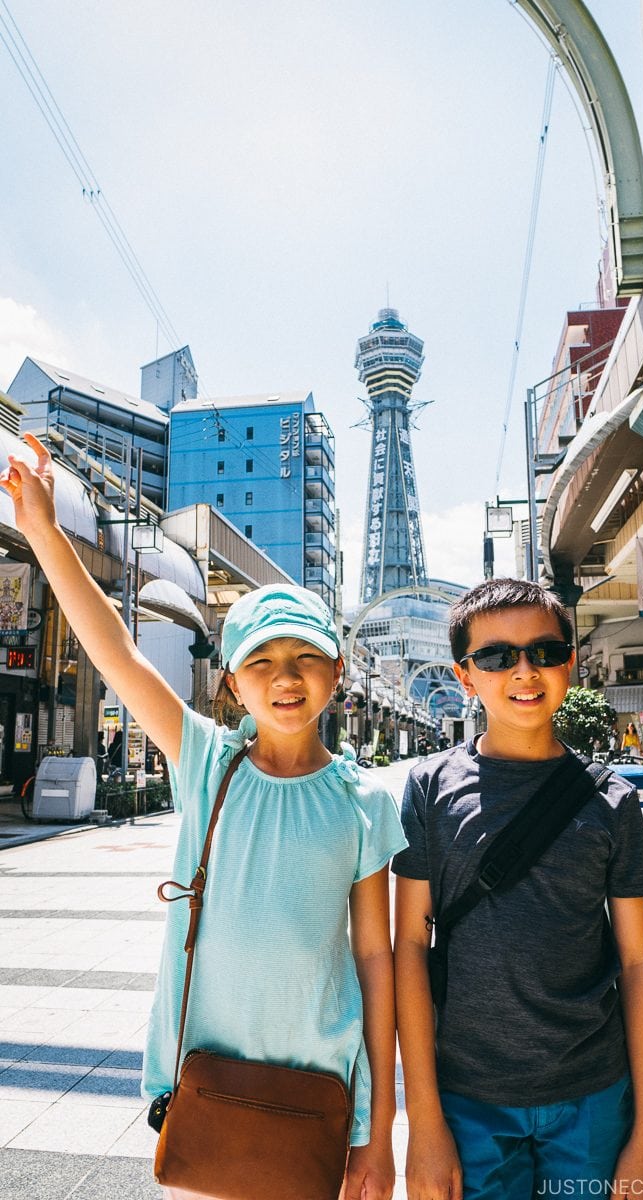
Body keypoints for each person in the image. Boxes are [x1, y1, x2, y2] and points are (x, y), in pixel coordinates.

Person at [1, 433, 406, 1200]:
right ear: (230, 684)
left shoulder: (364, 801)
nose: (284, 679)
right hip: (205, 1084)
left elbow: (375, 961)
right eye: (261, 661)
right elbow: (117, 652)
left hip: (319, 1094)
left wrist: (380, 1130)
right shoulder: (209, 762)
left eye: (305, 658)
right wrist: (44, 530)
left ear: (338, 673)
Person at [393, 578, 643, 1200]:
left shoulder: (611, 800)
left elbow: (639, 963)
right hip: (468, 1099)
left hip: (593, 1093)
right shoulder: (430, 790)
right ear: (465, 676)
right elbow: (408, 946)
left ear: (570, 663)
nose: (524, 670)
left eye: (544, 652)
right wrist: (424, 1122)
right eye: (496, 657)